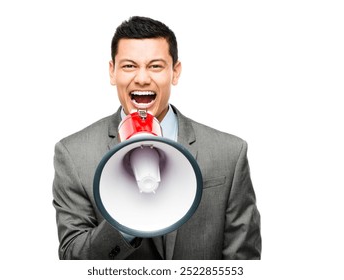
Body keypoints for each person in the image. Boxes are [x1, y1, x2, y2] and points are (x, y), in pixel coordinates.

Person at [52, 16, 261, 260]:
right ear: (112, 72)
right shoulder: (74, 154)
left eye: (155, 66)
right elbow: (72, 260)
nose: (142, 78)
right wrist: (126, 220)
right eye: (129, 66)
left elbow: (243, 263)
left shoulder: (229, 153)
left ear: (175, 72)